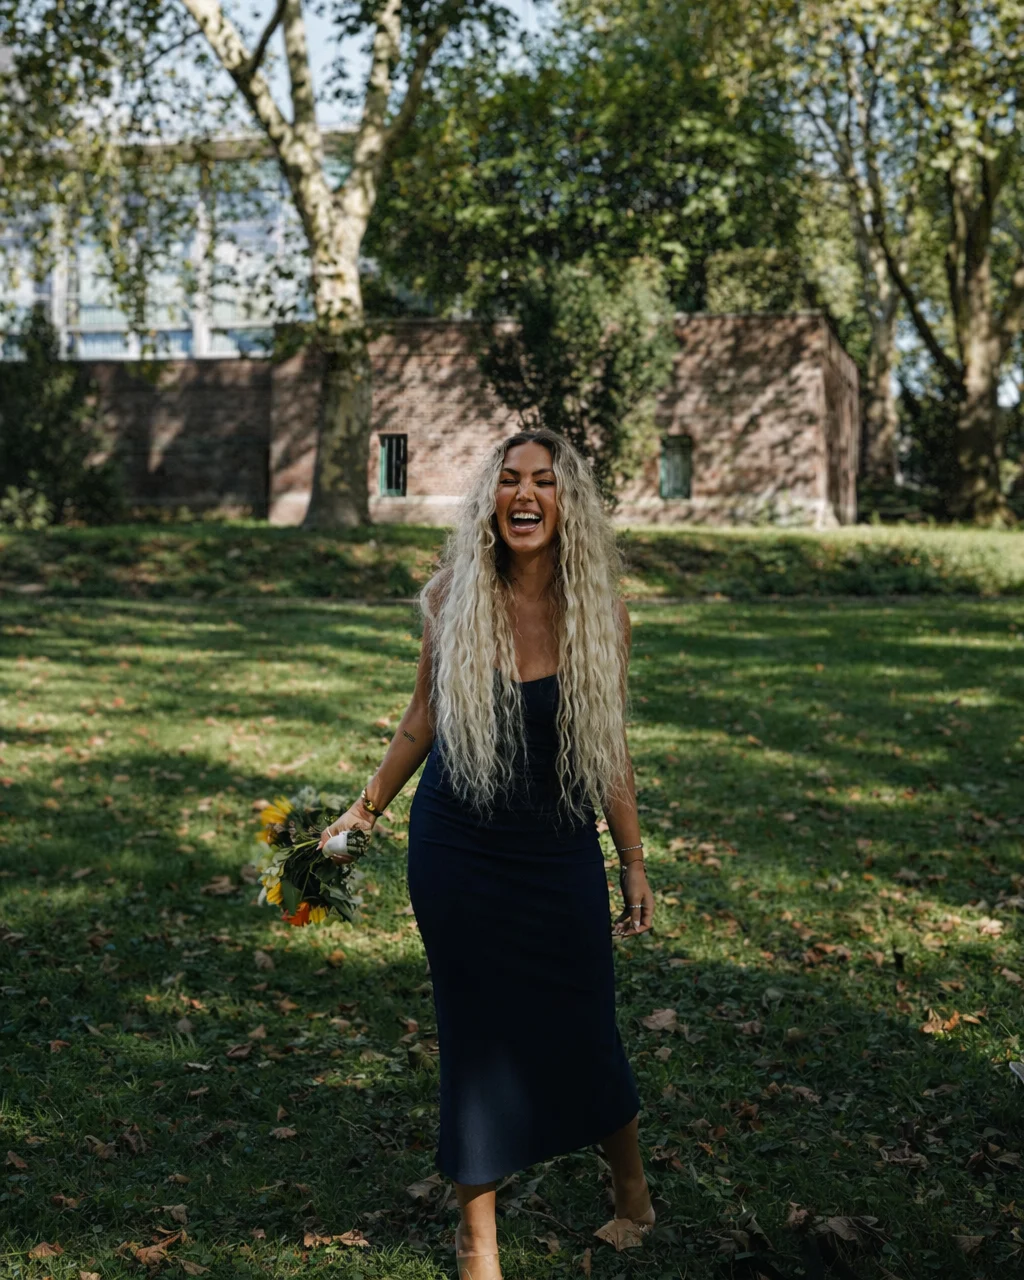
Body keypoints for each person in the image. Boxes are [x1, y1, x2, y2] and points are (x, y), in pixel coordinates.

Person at [318, 429, 656, 1279]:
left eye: (543, 481)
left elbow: (609, 751)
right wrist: (363, 812)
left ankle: (633, 1189)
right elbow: (419, 722)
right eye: (509, 481)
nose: (525, 495)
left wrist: (633, 862)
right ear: (490, 501)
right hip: (458, 851)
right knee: (474, 1035)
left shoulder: (603, 615)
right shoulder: (449, 598)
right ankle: (478, 1240)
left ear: (567, 502)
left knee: (586, 1016)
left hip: (557, 850)